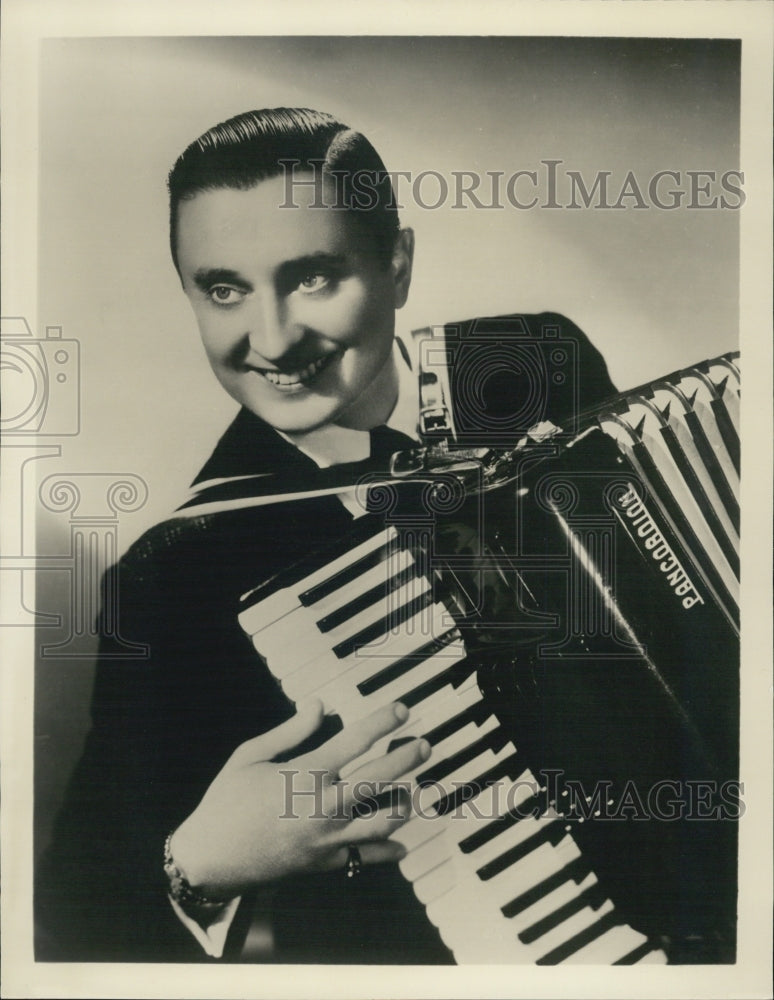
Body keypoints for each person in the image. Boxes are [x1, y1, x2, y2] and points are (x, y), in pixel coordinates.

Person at [35, 108, 629, 964]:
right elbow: (75, 908)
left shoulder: (536, 365)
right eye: (224, 288)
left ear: (398, 264)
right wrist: (199, 863)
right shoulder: (179, 574)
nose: (272, 340)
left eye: (313, 277)